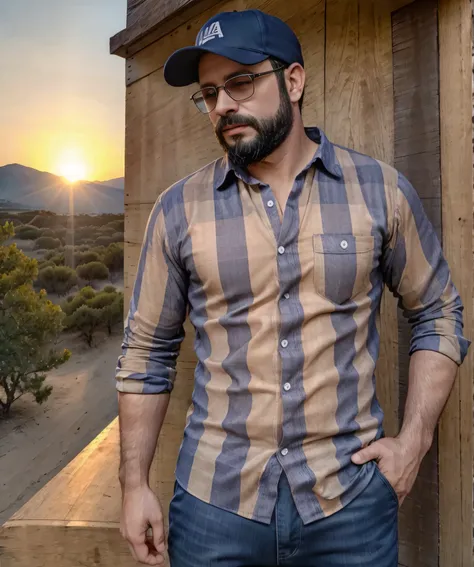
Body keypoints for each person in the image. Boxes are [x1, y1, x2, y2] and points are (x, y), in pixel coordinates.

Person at [115, 9, 470, 567]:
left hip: (350, 505)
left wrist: (413, 443)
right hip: (215, 511)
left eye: (240, 82)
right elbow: (145, 355)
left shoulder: (379, 191)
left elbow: (440, 313)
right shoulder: (177, 210)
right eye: (209, 93)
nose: (223, 104)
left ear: (294, 81)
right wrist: (133, 485)